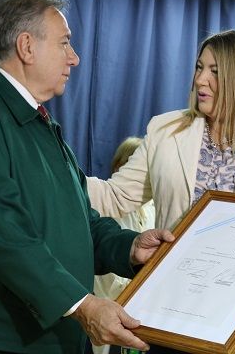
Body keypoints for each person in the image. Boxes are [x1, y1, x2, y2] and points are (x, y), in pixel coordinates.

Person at [0, 0, 174, 354]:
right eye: (64, 43)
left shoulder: (41, 125)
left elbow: (81, 222)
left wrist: (130, 248)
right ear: (26, 46)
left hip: (50, 336)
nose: (75, 58)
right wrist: (82, 305)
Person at [87, 29, 235, 353]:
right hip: (176, 314)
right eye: (200, 68)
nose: (201, 80)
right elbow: (115, 197)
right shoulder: (165, 131)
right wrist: (55, 171)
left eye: (215, 71)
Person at [92, 137, 156, 354]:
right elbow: (106, 281)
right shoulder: (102, 210)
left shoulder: (156, 210)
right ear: (120, 167)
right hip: (108, 308)